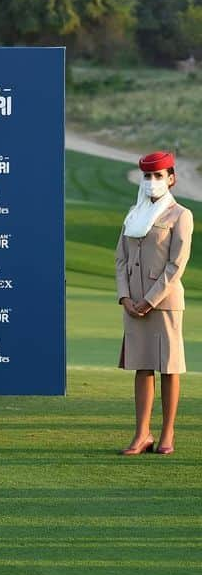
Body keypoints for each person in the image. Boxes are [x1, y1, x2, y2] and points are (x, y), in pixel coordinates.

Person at [116, 151, 193, 456]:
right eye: (147, 176)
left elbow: (176, 265)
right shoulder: (133, 215)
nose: (152, 182)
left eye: (158, 176)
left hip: (163, 303)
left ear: (171, 179)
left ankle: (167, 434)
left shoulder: (180, 215)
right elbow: (120, 258)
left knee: (168, 368)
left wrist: (149, 300)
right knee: (142, 367)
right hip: (133, 303)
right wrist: (125, 297)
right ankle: (141, 434)